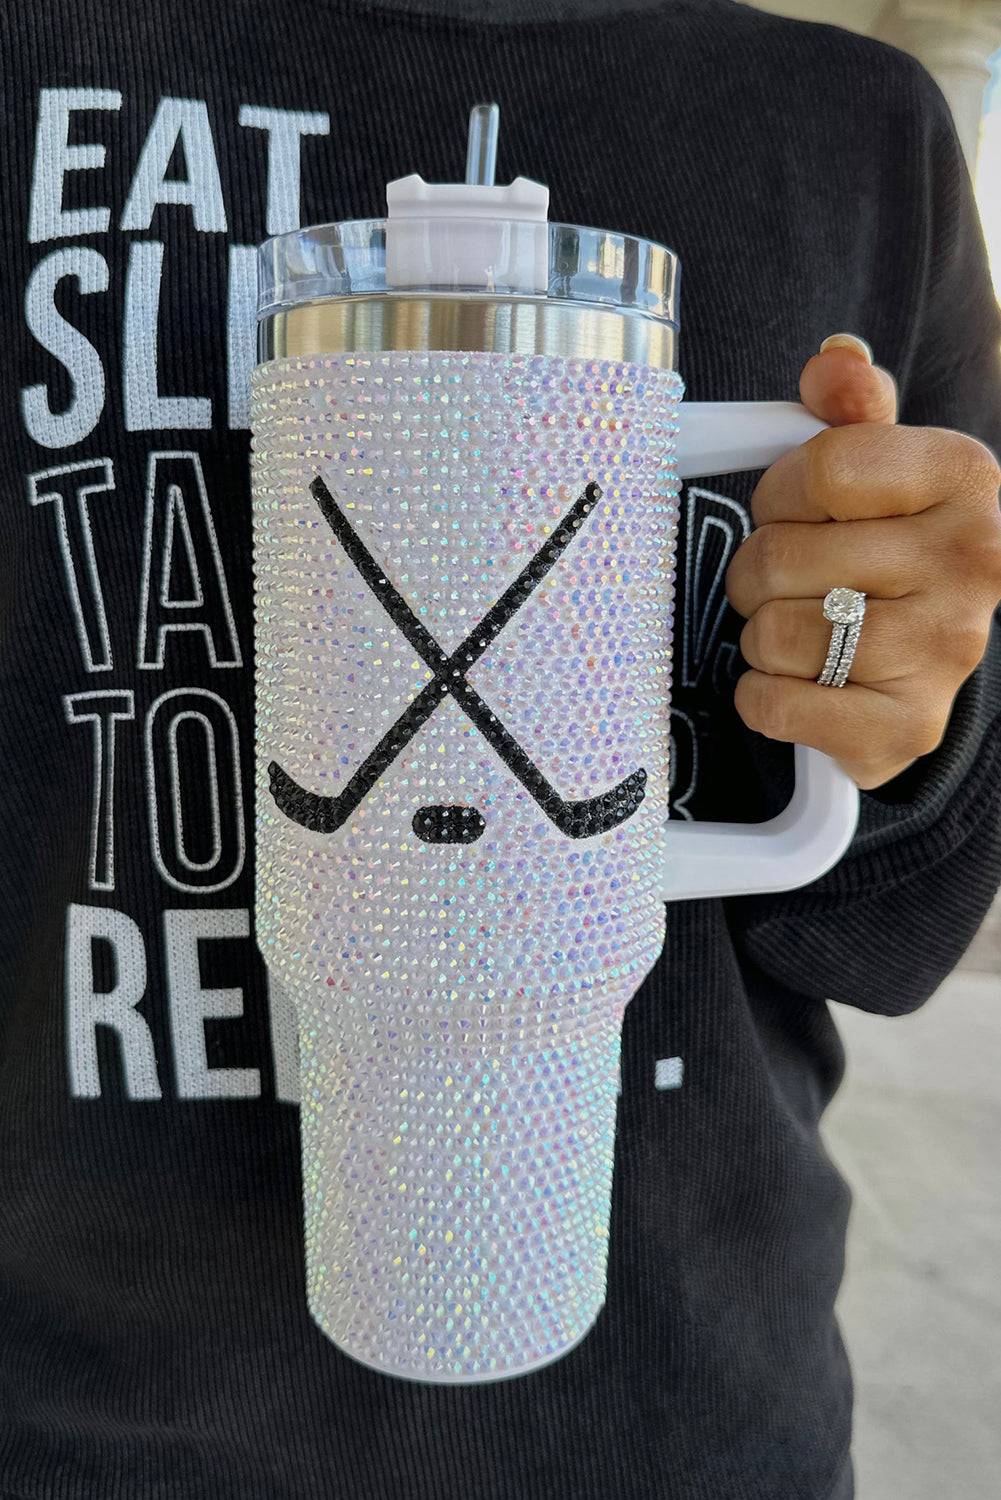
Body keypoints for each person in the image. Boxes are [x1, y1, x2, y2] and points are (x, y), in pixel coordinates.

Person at [2, 0, 999, 1495]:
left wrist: (882, 704)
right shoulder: (35, 57)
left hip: (686, 1418)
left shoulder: (856, 129)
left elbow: (895, 933)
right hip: (89, 1427)